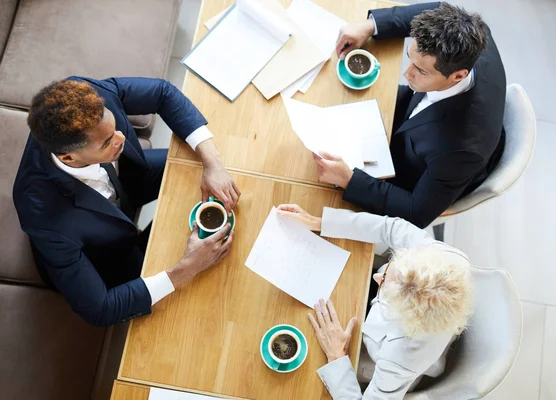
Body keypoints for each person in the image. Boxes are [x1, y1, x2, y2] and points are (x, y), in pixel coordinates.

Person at [13, 77, 240, 326]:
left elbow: (162, 92)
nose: (122, 137)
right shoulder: (44, 217)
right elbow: (99, 310)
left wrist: (213, 163)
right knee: (201, 293)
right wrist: (186, 268)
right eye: (108, 142)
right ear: (68, 157)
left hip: (130, 181)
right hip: (103, 255)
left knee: (198, 165)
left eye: (114, 128)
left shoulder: (88, 98)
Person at [314, 2, 506, 228]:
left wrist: (349, 179)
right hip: (416, 120)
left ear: (457, 76)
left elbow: (416, 212)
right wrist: (369, 26)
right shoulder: (477, 32)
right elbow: (439, 8)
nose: (406, 73)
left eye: (421, 70)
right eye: (409, 57)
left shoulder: (460, 151)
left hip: (421, 170)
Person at [276, 204, 473, 399]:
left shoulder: (400, 356)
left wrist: (337, 356)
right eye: (389, 270)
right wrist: (319, 222)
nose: (378, 278)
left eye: (386, 284)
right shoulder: (441, 259)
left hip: (371, 361)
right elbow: (390, 228)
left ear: (402, 313)